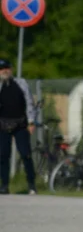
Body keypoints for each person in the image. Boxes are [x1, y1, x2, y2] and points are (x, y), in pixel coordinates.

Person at [0, 59, 40, 195]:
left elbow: (29, 102)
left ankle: (31, 184)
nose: (5, 71)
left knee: (25, 154)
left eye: (7, 68)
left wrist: (31, 122)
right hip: (3, 124)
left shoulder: (20, 83)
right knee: (3, 156)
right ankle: (4, 185)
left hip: (21, 124)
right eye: (2, 69)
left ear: (11, 69)